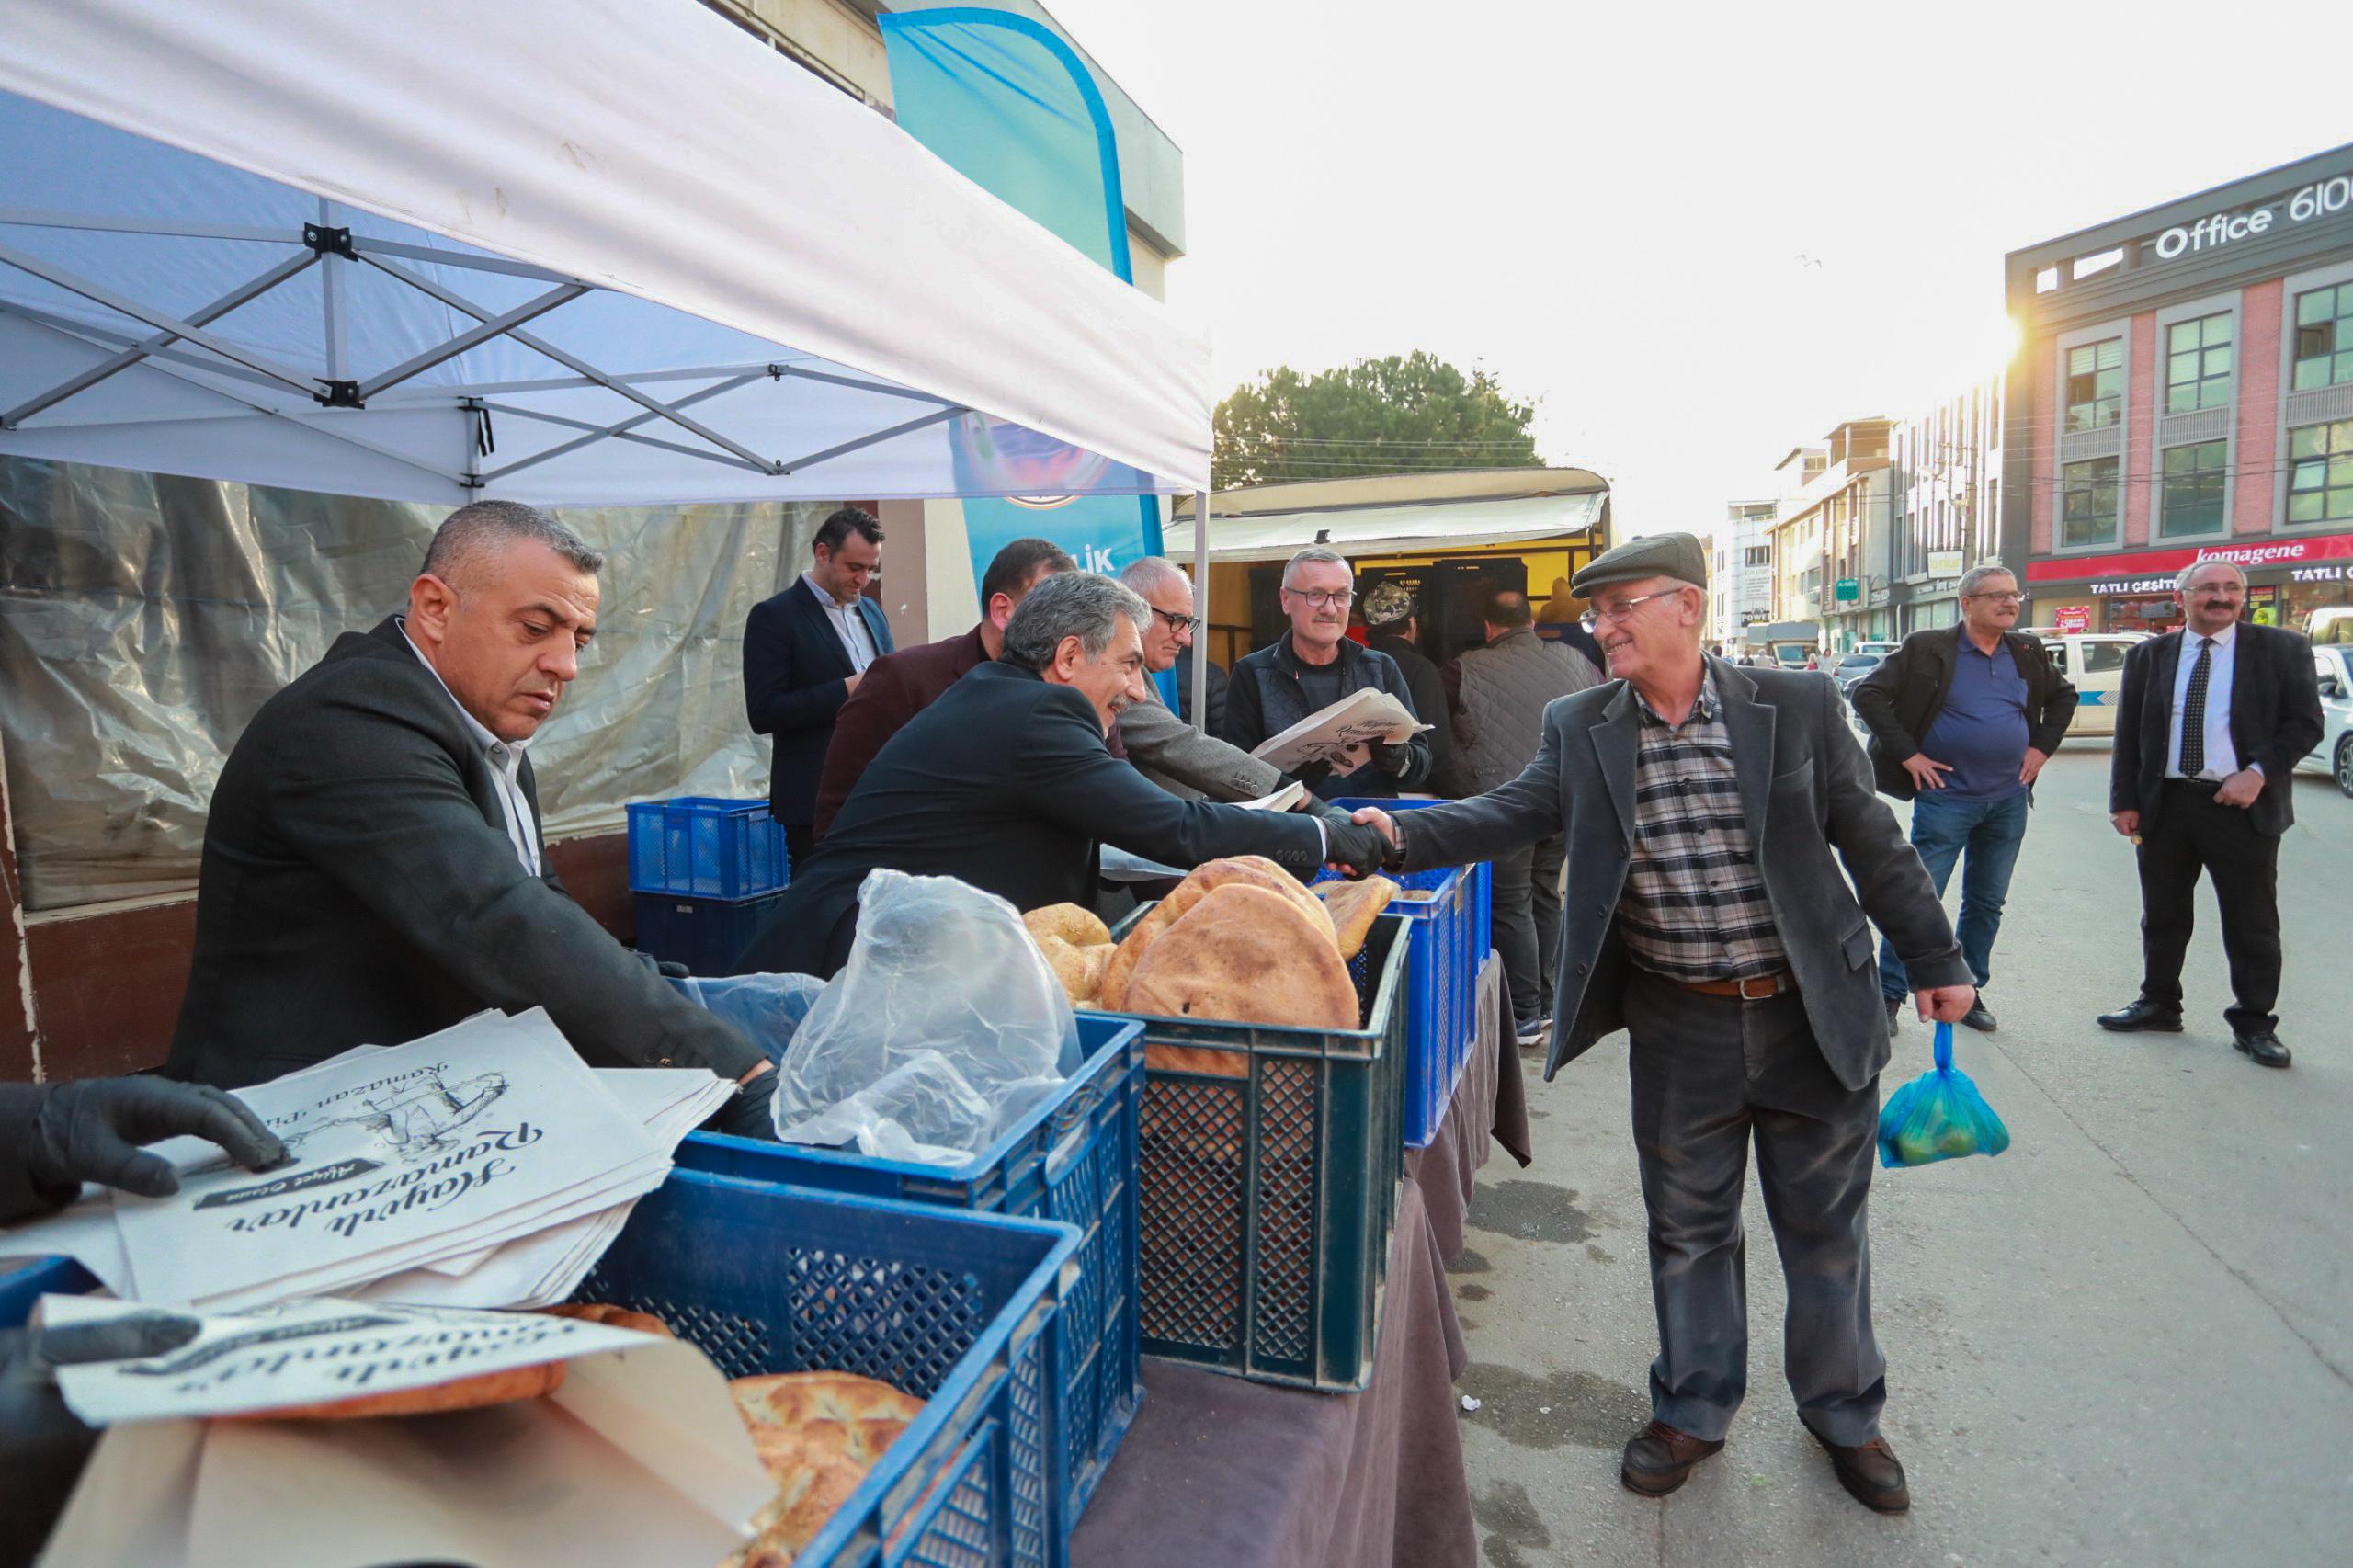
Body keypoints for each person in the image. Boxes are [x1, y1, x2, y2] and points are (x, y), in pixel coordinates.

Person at [1347, 532, 1973, 1516]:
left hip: (1810, 1011)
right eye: (1593, 614)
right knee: (1688, 1232)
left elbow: (1871, 839)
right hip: (1682, 1025)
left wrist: (1936, 960)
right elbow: (1507, 811)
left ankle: (1846, 1414)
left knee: (1825, 1233)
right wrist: (1391, 832)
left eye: (1616, 607)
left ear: (1685, 605)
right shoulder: (1582, 721)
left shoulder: (1798, 706)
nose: (1600, 627)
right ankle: (1692, 1404)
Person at [164, 501, 775, 1133]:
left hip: (406, 1104)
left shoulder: (484, 732)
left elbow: (541, 900)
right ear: (435, 608)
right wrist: (725, 1065)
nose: (566, 665)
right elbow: (497, 918)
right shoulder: (350, 721)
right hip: (283, 1122)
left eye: (579, 640)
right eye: (537, 628)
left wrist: (665, 992)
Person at [735, 573, 1389, 978]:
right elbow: (1171, 826)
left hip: (892, 961)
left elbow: (1104, 837)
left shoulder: (1005, 696)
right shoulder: (1036, 714)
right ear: (1070, 657)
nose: (1137, 691)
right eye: (1130, 665)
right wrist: (1326, 837)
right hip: (841, 968)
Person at [2099, 560, 2324, 1067]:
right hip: (2167, 805)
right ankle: (2159, 1003)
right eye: (2207, 589)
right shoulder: (2149, 655)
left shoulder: (2281, 649)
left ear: (2243, 596)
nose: (2220, 597)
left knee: (2251, 921)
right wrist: (2124, 800)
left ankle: (2254, 1022)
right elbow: (2130, 734)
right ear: (2183, 597)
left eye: (2231, 588)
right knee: (2163, 915)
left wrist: (2259, 772)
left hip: (2241, 806)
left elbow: (2305, 724)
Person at [1849, 565, 2078, 1036]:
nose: (2009, 603)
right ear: (1966, 603)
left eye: (2014, 595)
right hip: (1946, 799)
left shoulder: (2027, 651)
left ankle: (1968, 989)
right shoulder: (1928, 648)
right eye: (1996, 596)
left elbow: (2064, 698)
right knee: (1917, 899)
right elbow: (1867, 694)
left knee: (1986, 901)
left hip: (2008, 799)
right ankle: (1888, 995)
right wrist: (1909, 755)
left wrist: (2040, 748)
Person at [811, 538, 1073, 838]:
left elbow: (1114, 793)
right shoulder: (905, 680)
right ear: (1003, 610)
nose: (1072, 629)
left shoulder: (1074, 683)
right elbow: (840, 818)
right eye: (1056, 612)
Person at [1440, 586, 1599, 1039]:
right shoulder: (1578, 660)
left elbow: (1437, 733)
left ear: (1489, 627)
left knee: (1511, 905)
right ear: (1531, 621)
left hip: (1505, 804)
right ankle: (1547, 1002)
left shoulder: (1462, 669)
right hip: (1566, 798)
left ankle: (1523, 1013)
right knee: (1546, 893)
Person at [743, 506, 895, 869]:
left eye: (871, 569)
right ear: (822, 554)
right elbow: (764, 712)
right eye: (854, 567)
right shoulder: (774, 617)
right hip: (815, 798)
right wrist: (847, 689)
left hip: (877, 789)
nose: (863, 580)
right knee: (820, 906)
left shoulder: (871, 611)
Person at [1222, 548, 1432, 801]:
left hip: (1369, 826)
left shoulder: (1380, 668)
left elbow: (1421, 762)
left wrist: (1400, 758)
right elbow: (1235, 775)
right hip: (1292, 830)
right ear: (1286, 600)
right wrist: (1286, 784)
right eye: (1316, 595)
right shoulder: (1253, 673)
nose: (1330, 609)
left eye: (1341, 596)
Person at [1116, 558, 1294, 802]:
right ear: (1135, 610)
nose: (1186, 638)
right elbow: (1176, 744)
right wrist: (1287, 791)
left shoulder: (1137, 671)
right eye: (1175, 620)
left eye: (1188, 623)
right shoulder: (1112, 673)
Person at [1360, 582, 1463, 797]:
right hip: (1413, 797)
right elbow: (1436, 750)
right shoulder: (1422, 669)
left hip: (1361, 794)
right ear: (1412, 623)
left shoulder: (1354, 666)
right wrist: (1467, 799)